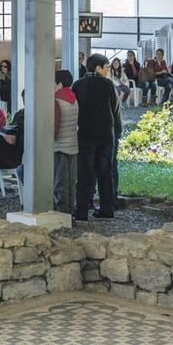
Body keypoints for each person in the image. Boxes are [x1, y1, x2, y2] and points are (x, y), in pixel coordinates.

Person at [72, 54, 122, 221]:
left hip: (86, 132)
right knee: (105, 171)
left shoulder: (78, 85)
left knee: (85, 172)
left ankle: (81, 210)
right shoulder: (108, 84)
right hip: (106, 133)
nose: (108, 70)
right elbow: (115, 108)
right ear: (98, 68)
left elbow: (74, 109)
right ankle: (107, 208)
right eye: (106, 67)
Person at [54, 69, 79, 214]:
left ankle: (63, 213)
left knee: (60, 182)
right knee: (71, 182)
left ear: (59, 84)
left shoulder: (56, 100)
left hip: (59, 146)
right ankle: (71, 210)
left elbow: (54, 127)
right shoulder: (74, 99)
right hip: (72, 144)